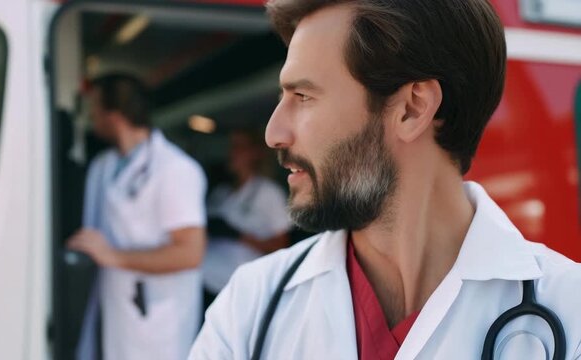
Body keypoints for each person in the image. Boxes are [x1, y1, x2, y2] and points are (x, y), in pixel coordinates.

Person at [189, 1, 581, 359]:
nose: (274, 133)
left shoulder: (570, 310)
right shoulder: (250, 304)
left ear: (412, 109)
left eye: (303, 96)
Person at [67, 73, 207, 360]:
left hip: (156, 321)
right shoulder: (103, 165)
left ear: (114, 115)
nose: (91, 116)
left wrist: (113, 256)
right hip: (113, 309)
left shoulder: (175, 169)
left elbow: (189, 253)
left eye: (95, 107)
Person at [203, 129, 291, 296]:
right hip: (204, 279)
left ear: (255, 153)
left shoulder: (268, 193)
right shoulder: (221, 193)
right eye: (231, 147)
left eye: (238, 146)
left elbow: (281, 246)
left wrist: (239, 236)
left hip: (236, 288)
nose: (232, 152)